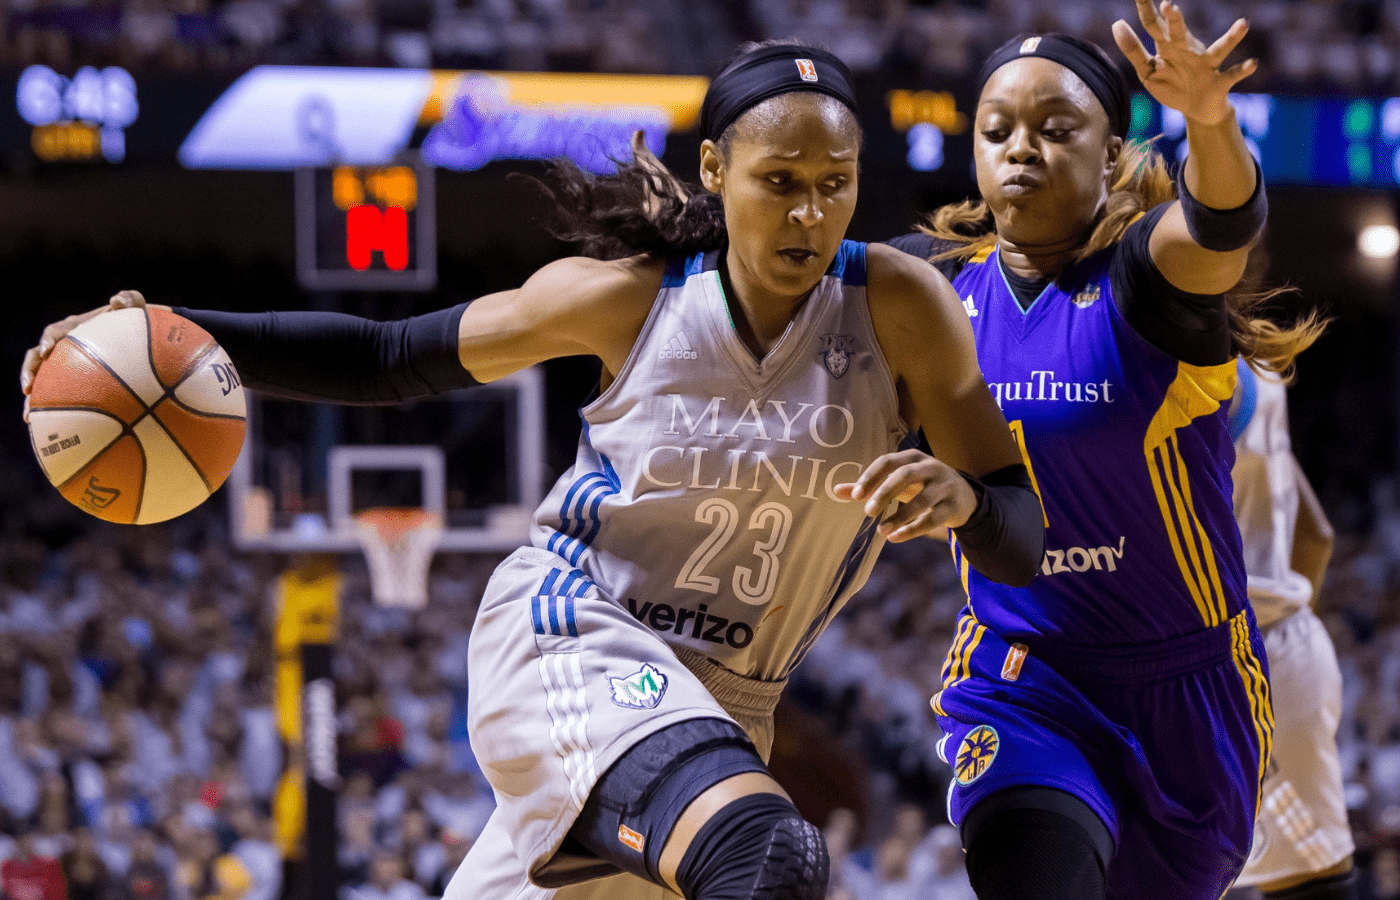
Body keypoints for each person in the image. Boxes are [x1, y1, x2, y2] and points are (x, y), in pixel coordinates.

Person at [21, 42, 1044, 900]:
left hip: (724, 706)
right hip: (573, 632)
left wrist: (961, 501)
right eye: (778, 183)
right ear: (713, 170)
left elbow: (1018, 523)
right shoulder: (627, 300)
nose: (809, 216)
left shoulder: (901, 307)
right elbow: (384, 357)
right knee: (767, 855)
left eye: (834, 186)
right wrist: (168, 331)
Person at [885, 2, 1325, 898]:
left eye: (1056, 129)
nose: (1021, 149)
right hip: (1022, 674)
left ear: (1112, 154)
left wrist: (1208, 119)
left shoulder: (1146, 280)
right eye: (997, 130)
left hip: (1188, 687)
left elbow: (1219, 227)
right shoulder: (928, 290)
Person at [1228, 360, 1356, 900]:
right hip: (1275, 648)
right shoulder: (1255, 369)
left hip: (1240, 661)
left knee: (1309, 882)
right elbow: (1316, 535)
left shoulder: (1176, 370)